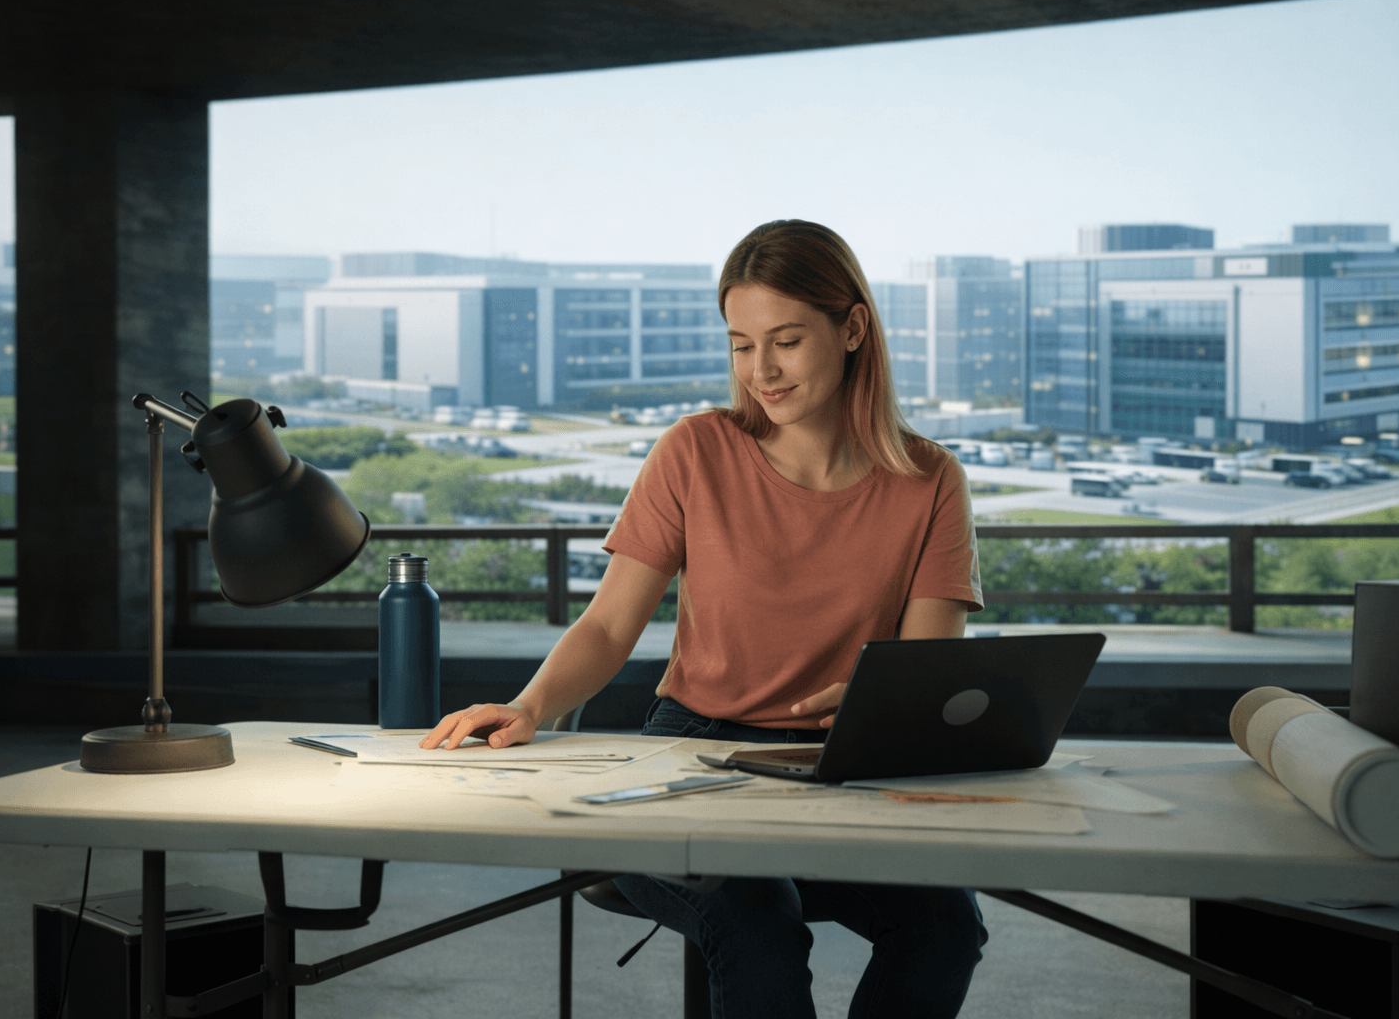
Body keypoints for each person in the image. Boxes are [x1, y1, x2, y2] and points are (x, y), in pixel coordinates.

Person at [420, 219, 988, 1019]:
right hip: (695, 754)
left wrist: (882, 705)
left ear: (853, 328)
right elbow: (608, 626)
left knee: (945, 929)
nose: (762, 371)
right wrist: (530, 705)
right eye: (741, 345)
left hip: (844, 768)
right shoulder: (695, 451)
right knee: (758, 925)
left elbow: (924, 677)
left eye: (786, 341)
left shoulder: (930, 480)